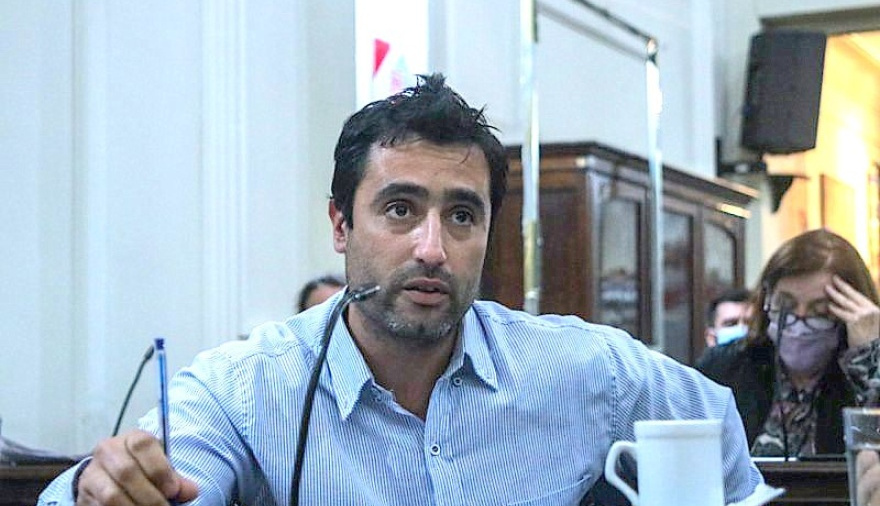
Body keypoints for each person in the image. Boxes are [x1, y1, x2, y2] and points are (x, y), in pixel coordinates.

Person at [39, 74, 763, 506]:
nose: (432, 249)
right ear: (340, 224)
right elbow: (164, 475)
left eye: (462, 216)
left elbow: (718, 427)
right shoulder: (249, 387)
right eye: (399, 209)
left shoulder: (586, 369)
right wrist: (104, 488)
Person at [697, 229, 880, 457]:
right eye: (786, 306)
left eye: (820, 311)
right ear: (767, 300)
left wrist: (870, 359)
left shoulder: (865, 368)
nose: (800, 321)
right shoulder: (724, 366)